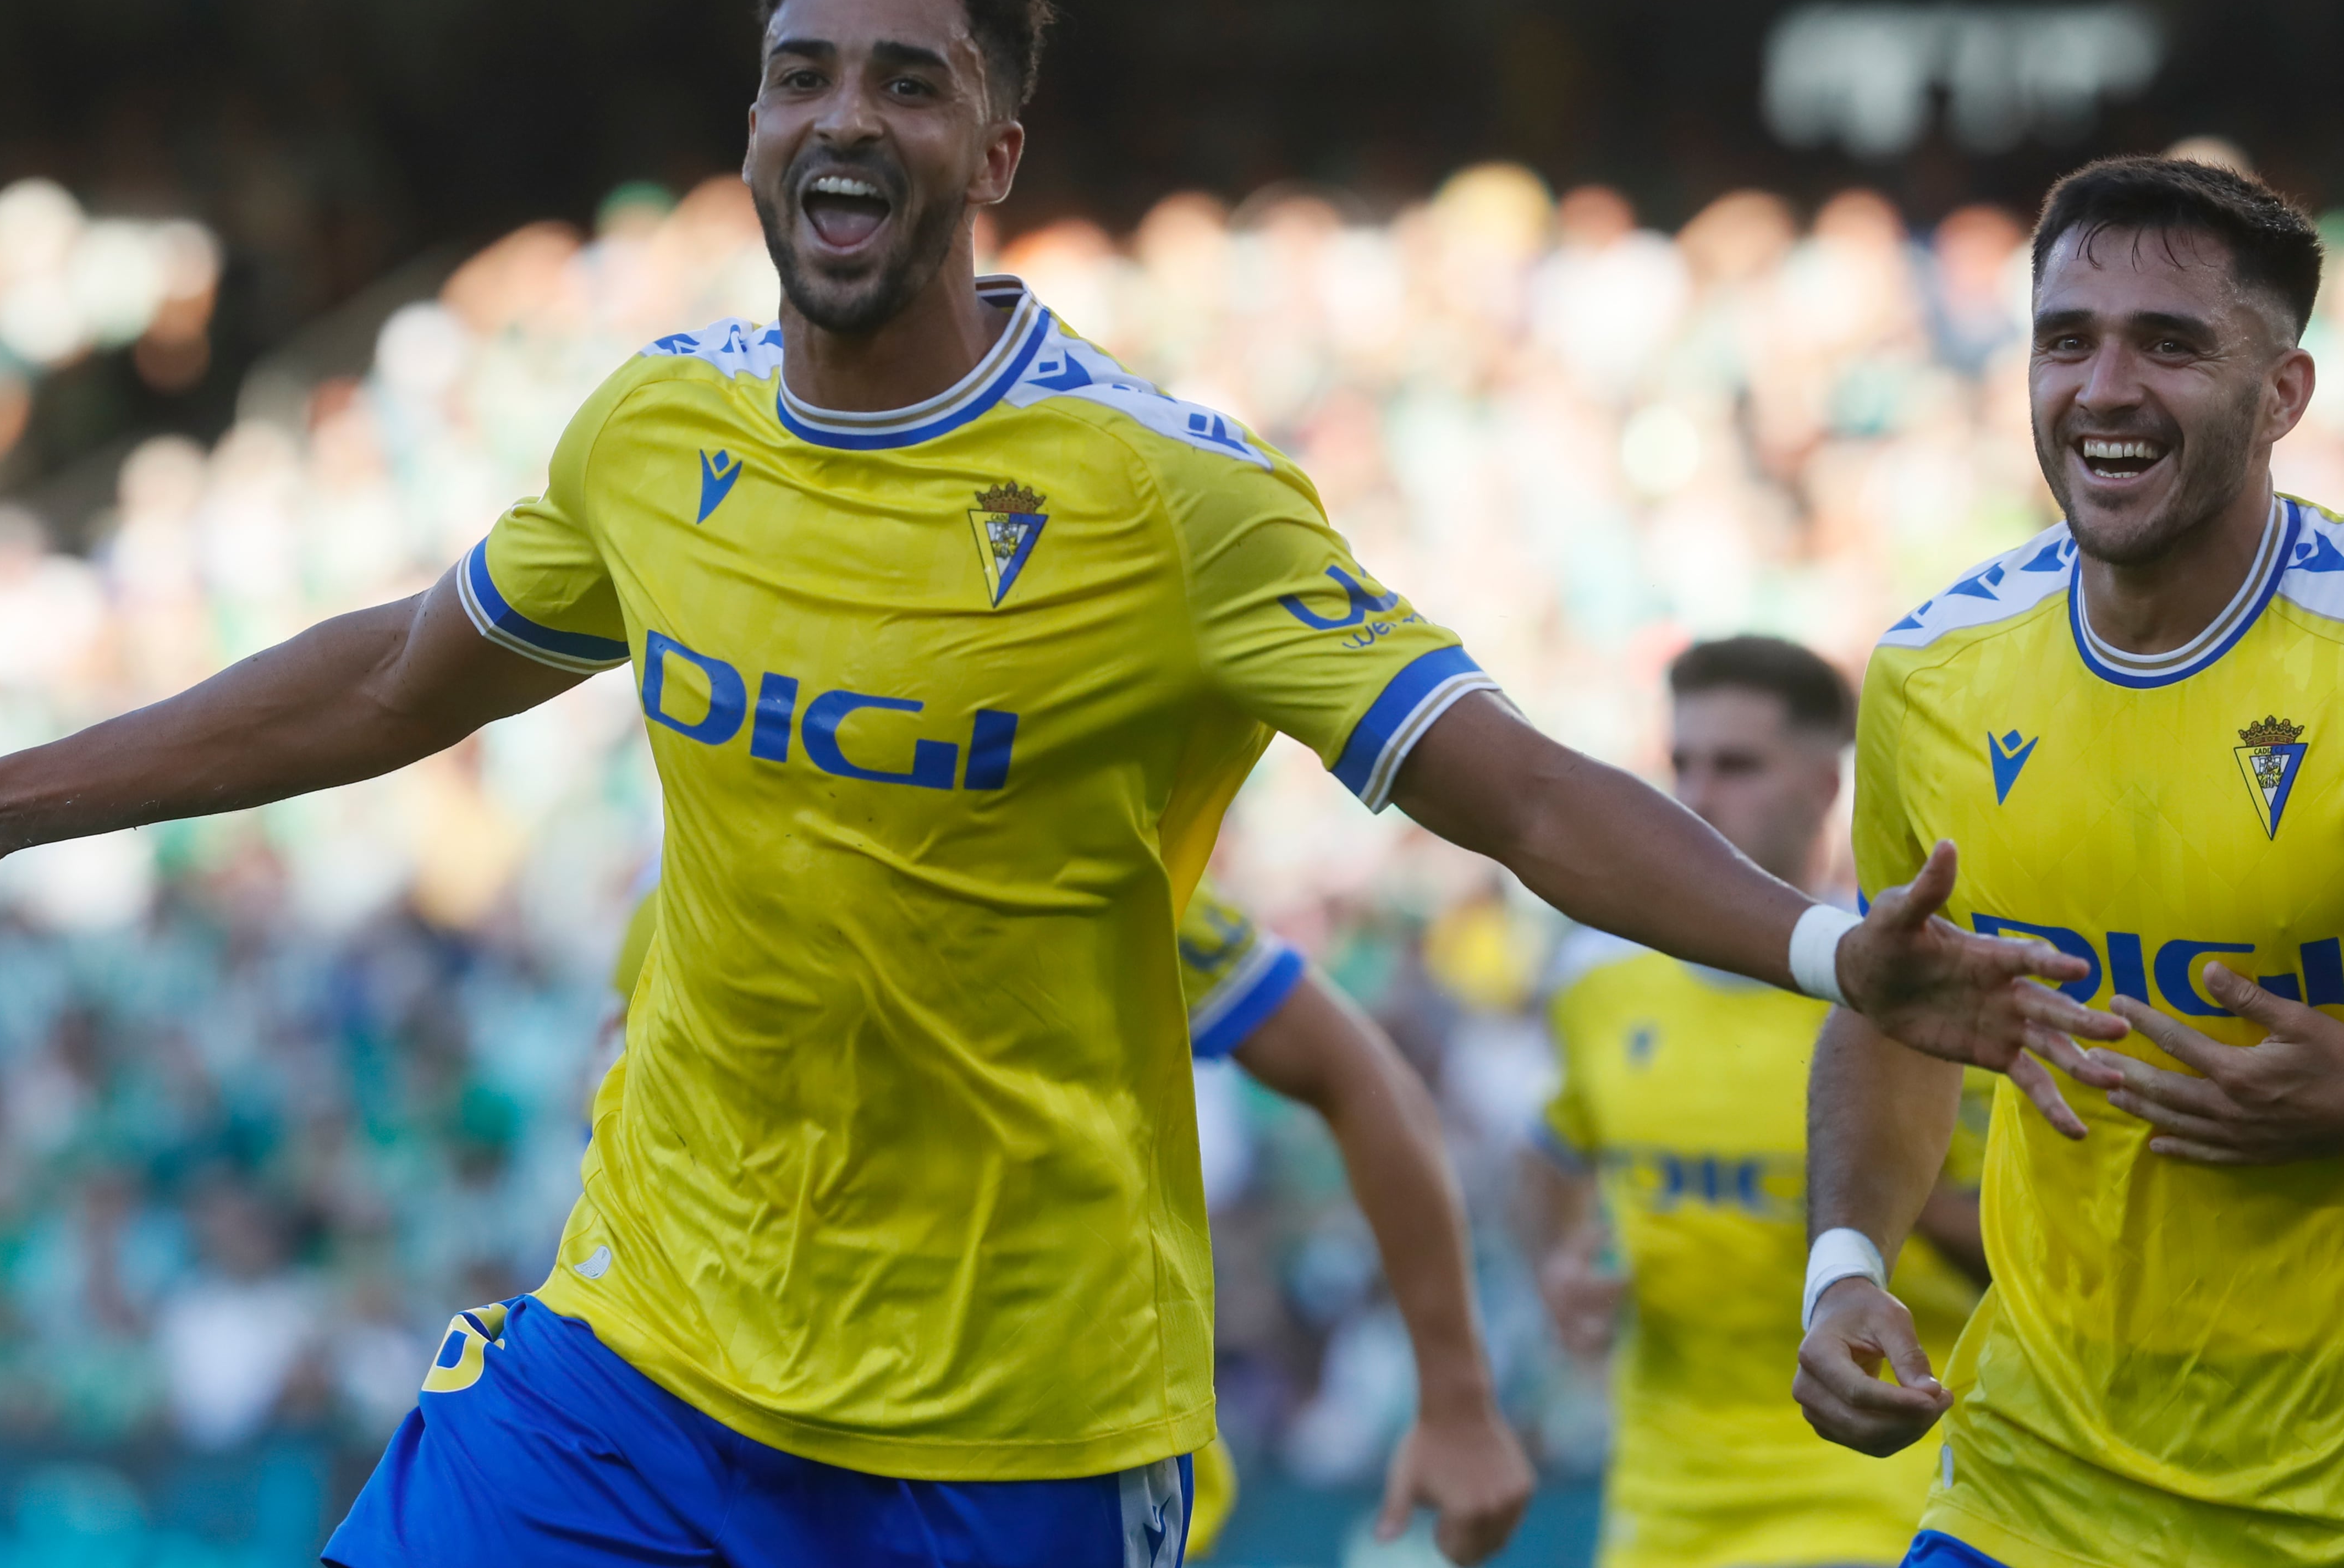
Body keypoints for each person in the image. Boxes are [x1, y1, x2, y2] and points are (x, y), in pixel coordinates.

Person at [0, 0, 2108, 1568]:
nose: (841, 116)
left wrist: (1806, 949)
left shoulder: (1171, 505)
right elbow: (402, 670)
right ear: (751, 124)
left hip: (1019, 1425)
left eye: (905, 83)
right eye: (798, 74)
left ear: (993, 150)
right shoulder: (654, 432)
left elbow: (1507, 783)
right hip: (647, 1350)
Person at [1796, 155, 2344, 1568]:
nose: (2102, 388)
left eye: (2168, 343)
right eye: (2064, 339)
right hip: (2024, 1497)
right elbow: (1899, 1007)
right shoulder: (1931, 674)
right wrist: (1843, 1268)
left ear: (2279, 394)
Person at [596, 876, 1534, 1563]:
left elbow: (1360, 1076)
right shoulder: (686, 902)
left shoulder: (1080, 880)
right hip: (787, 1453)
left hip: (1053, 1476)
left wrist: (1457, 1397)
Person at [1520, 636, 1991, 1568]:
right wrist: (1565, 1261)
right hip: (1665, 1501)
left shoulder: (1918, 994)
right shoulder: (1596, 981)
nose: (1695, 796)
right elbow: (1549, 1158)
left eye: (1735, 766)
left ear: (1825, 786)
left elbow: (2044, 1260)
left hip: (1880, 1486)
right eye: (1680, 764)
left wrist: (1890, 1205)